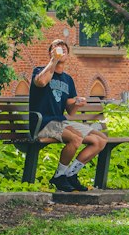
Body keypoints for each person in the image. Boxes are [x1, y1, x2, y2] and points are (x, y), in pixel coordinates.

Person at [29, 38, 107, 191]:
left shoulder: (68, 80)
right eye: (57, 48)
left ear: (68, 55)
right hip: (42, 123)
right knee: (76, 138)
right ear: (50, 53)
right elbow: (42, 82)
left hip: (60, 122)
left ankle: (70, 174)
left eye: (64, 49)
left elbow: (70, 111)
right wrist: (53, 61)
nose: (61, 50)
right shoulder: (39, 71)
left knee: (100, 140)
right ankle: (59, 177)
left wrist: (76, 103)